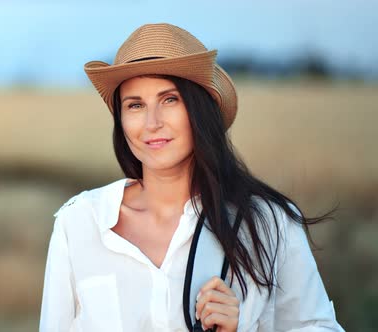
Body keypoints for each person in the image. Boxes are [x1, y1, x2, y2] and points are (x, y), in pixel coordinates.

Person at [39, 23, 344, 331]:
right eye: (135, 105)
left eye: (170, 99)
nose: (152, 122)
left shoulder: (269, 223)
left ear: (199, 110)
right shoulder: (78, 223)